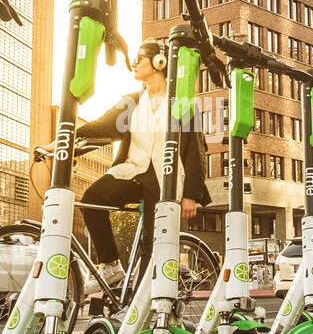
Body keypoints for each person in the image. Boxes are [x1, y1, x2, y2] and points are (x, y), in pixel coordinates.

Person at [71, 39, 211, 290]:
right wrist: (65, 140)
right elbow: (101, 126)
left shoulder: (182, 101)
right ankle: (111, 265)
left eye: (140, 57)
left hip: (165, 178)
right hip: (133, 170)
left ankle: (139, 304)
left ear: (160, 62)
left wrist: (191, 194)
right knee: (92, 198)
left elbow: (195, 150)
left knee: (152, 240)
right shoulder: (132, 101)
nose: (133, 62)